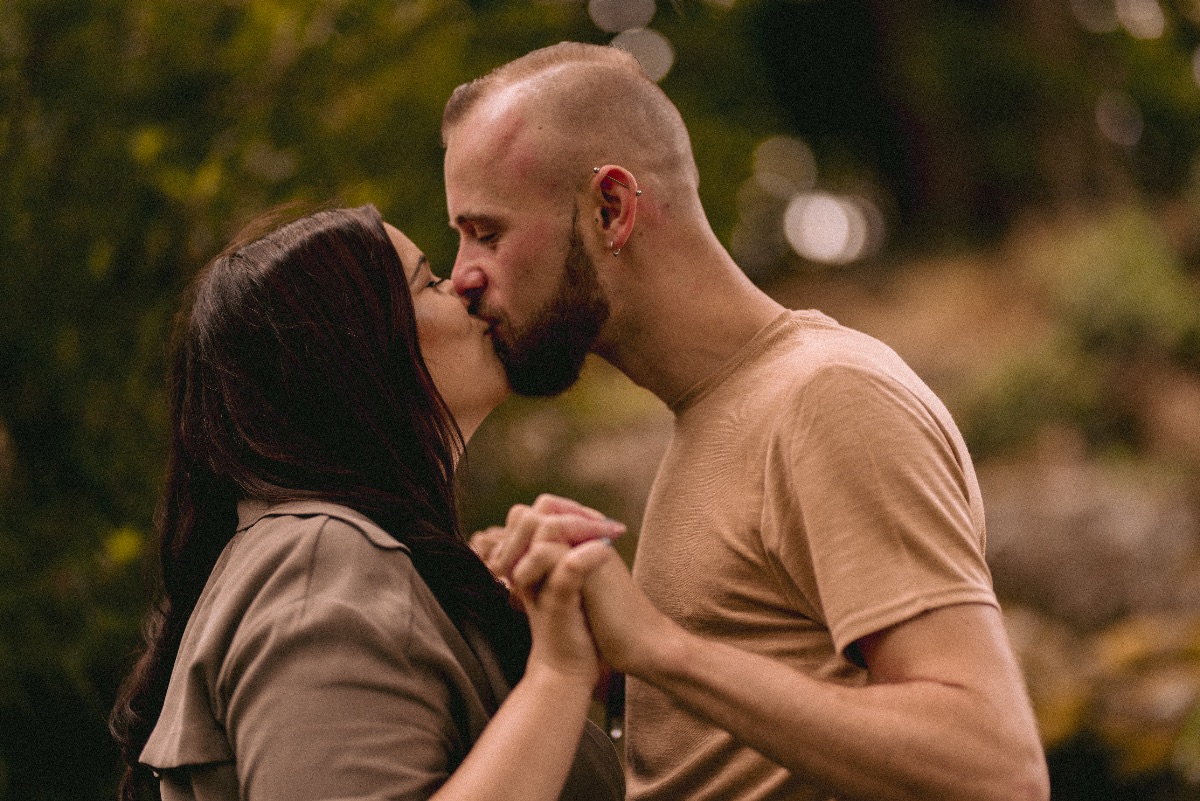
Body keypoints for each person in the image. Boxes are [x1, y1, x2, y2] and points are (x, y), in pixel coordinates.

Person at [441, 42, 1051, 801]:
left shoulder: (827, 399)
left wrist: (661, 650)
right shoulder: (715, 414)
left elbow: (995, 766)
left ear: (611, 210)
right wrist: (586, 649)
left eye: (486, 232)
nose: (461, 274)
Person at [108, 204, 627, 801]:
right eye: (426, 281)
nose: (464, 283)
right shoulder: (315, 566)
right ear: (353, 353)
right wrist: (558, 674)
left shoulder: (345, 563)